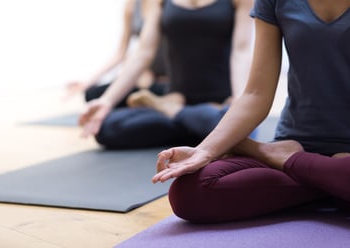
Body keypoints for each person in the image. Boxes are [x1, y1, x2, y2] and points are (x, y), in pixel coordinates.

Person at [152, 0, 350, 223]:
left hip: (313, 156)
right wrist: (206, 151)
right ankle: (333, 181)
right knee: (191, 192)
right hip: (298, 143)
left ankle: (312, 171)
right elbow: (256, 93)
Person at [78, 0, 255, 149]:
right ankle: (197, 124)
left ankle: (184, 118)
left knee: (244, 132)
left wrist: (239, 101)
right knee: (106, 129)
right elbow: (143, 53)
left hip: (221, 102)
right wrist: (107, 100)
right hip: (176, 97)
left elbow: (242, 52)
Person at [65, 0, 169, 107]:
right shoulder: (132, 5)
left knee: (150, 90)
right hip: (143, 74)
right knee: (91, 94)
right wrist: (86, 83)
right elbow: (121, 53)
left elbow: (146, 52)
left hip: (166, 76)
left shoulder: (165, 5)